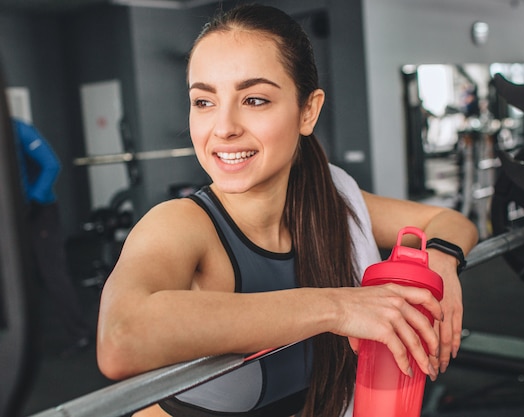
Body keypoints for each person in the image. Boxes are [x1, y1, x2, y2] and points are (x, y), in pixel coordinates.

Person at [96, 4, 478, 417]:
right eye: (203, 102)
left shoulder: (331, 199)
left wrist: (441, 259)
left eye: (254, 99)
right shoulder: (179, 224)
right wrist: (339, 307)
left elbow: (448, 221)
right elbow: (120, 338)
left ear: (307, 111)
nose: (223, 127)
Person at [13, 117, 92, 357]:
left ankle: (79, 335)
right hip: (11, 215)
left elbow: (51, 165)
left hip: (39, 212)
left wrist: (34, 200)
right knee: (14, 279)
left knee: (52, 273)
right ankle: (23, 341)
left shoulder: (18, 129)